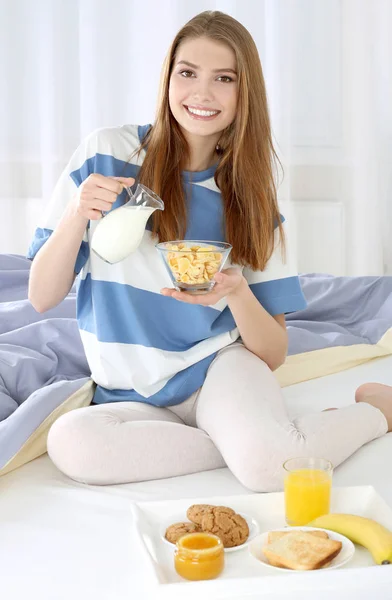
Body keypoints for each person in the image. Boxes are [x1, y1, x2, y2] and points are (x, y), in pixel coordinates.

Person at [27, 11, 392, 491]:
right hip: (130, 390)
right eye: (187, 72)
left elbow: (273, 352)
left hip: (221, 369)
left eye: (224, 78)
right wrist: (77, 214)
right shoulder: (106, 154)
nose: (201, 93)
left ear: (246, 95)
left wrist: (237, 292)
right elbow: (41, 296)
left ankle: (375, 412)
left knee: (267, 473)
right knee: (72, 443)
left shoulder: (250, 199)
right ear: (168, 78)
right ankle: (266, 442)